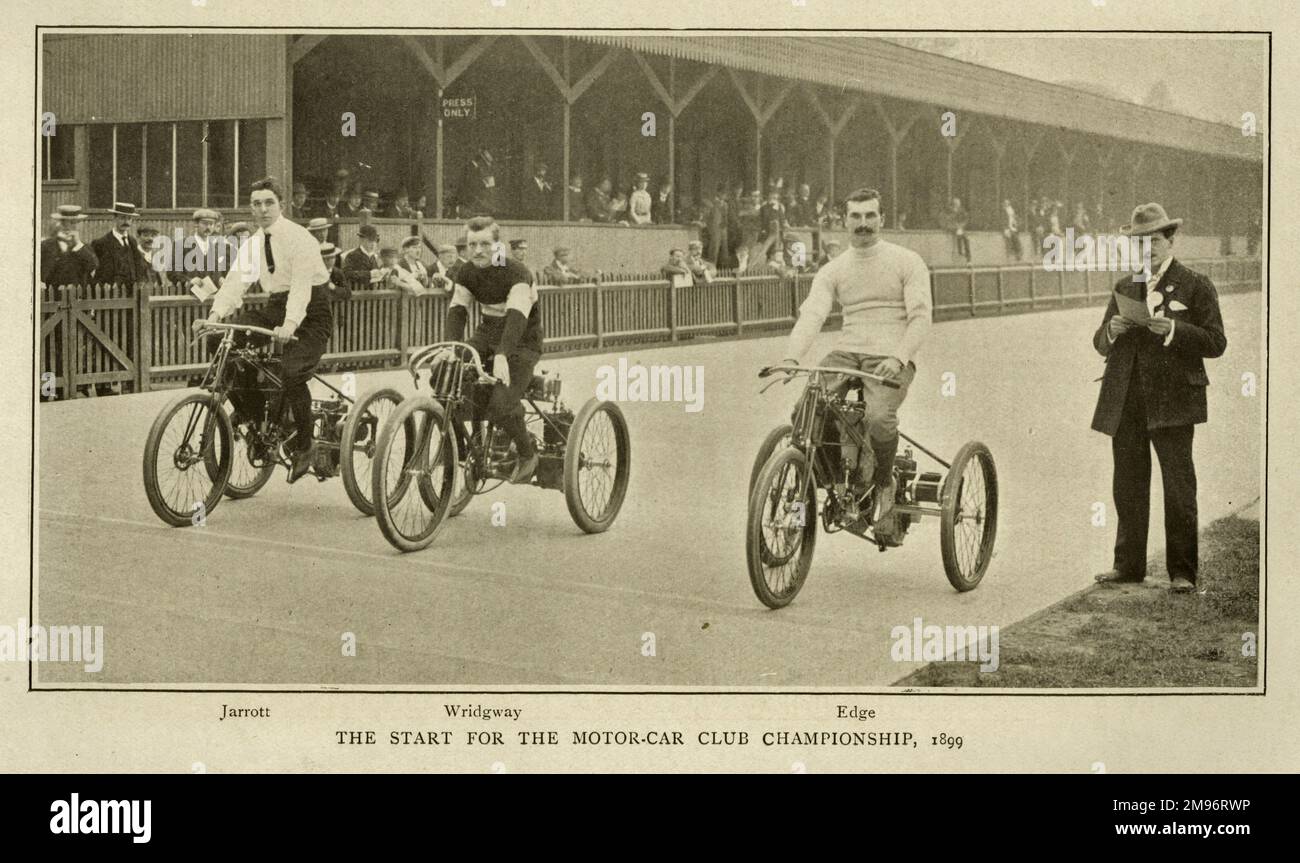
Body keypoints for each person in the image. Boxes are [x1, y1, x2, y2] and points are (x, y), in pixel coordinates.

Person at [777, 188, 932, 535]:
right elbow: (813, 314)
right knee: (805, 410)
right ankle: (841, 488)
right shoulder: (834, 269)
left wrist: (899, 357)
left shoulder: (906, 261)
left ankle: (883, 481)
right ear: (844, 221)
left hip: (891, 353)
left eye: (870, 216)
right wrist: (792, 356)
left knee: (879, 417)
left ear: (882, 219)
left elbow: (921, 317)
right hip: (847, 351)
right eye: (856, 217)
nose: (863, 224)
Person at [1091, 203, 1227, 594]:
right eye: (1139, 242)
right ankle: (1127, 565)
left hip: (1173, 401)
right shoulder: (1124, 287)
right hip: (1127, 399)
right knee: (1128, 484)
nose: (1146, 249)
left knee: (1178, 486)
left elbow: (1217, 342)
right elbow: (1099, 342)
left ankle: (1183, 572)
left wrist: (1175, 330)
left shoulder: (1196, 284)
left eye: (1154, 241)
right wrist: (1112, 331)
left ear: (1171, 241)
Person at [193, 177, 334, 484]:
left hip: (311, 313)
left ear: (281, 205)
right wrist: (214, 316)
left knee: (289, 370)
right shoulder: (254, 243)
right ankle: (256, 418)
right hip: (276, 308)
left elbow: (300, 289)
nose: (262, 209)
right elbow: (234, 283)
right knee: (220, 341)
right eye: (256, 203)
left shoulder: (300, 239)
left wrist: (290, 324)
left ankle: (305, 443)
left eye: (269, 202)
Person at [441, 216, 544, 484]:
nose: (477, 251)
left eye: (485, 244)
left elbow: (517, 318)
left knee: (501, 404)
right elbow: (458, 310)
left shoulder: (516, 272)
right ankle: (458, 449)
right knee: (443, 375)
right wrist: (452, 347)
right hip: (487, 334)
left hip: (522, 340)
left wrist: (502, 355)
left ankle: (526, 453)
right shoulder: (467, 272)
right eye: (472, 244)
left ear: (498, 245)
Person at [167, 208, 232, 293]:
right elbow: (172, 273)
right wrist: (189, 280)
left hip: (211, 297)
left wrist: (221, 278)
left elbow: (220, 272)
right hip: (189, 297)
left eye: (211, 224)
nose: (208, 227)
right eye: (204, 224)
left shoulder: (217, 248)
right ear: (196, 224)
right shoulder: (181, 245)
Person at [40, 204, 98, 287]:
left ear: (79, 225)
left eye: (73, 223)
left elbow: (93, 266)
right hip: (52, 296)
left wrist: (78, 244)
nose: (68, 226)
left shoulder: (84, 247)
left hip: (78, 296)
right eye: (64, 222)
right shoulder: (45, 246)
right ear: (59, 224)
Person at [90, 201, 145, 286]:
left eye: (129, 218)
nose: (126, 222)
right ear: (114, 218)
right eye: (122, 218)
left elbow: (139, 265)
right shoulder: (101, 243)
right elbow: (94, 270)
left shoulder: (132, 242)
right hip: (110, 294)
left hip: (131, 293)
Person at [342, 224, 387, 290]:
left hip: (374, 294)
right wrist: (369, 274)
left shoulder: (374, 257)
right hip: (358, 294)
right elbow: (346, 274)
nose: (373, 244)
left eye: (375, 241)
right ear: (361, 240)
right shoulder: (352, 255)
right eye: (370, 241)